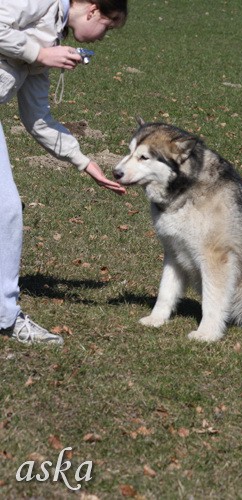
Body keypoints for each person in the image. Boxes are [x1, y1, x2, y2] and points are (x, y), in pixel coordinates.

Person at [0, 0, 128, 345]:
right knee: (6, 210)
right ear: (92, 10)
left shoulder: (52, 38)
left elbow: (38, 118)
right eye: (108, 26)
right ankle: (6, 317)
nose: (104, 37)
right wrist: (39, 54)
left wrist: (83, 161)